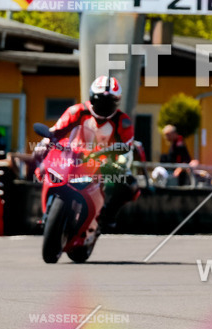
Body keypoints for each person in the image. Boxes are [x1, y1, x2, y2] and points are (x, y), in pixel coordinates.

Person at [38, 76, 138, 231]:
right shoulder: (77, 111)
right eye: (100, 100)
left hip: (103, 163)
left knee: (130, 186)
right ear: (92, 97)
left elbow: (127, 146)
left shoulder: (122, 121)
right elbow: (56, 130)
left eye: (109, 101)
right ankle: (47, 211)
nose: (104, 105)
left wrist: (120, 163)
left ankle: (107, 216)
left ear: (117, 102)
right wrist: (45, 143)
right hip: (72, 157)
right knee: (43, 167)